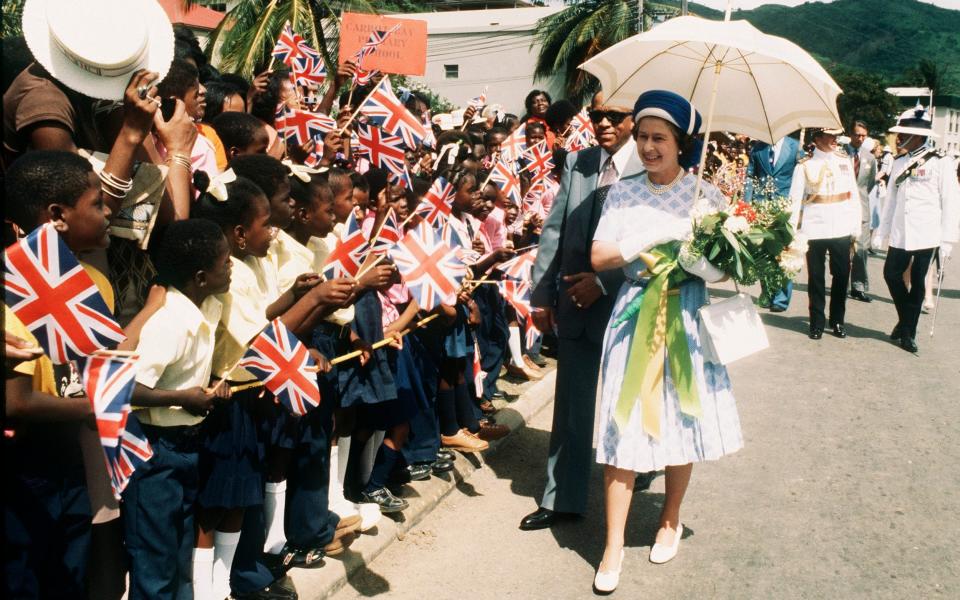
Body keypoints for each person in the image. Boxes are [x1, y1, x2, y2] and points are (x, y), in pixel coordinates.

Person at [588, 90, 743, 592]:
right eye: (643, 136)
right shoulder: (623, 192)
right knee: (621, 427)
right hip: (633, 319)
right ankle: (612, 544)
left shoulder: (708, 197)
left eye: (660, 138)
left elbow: (722, 272)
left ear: (681, 144)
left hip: (686, 317)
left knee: (681, 421)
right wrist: (653, 238)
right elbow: (600, 257)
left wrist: (696, 251)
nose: (649, 146)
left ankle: (669, 518)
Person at [521, 91, 644, 532]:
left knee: (627, 404)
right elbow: (555, 230)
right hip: (574, 302)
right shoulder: (579, 163)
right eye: (597, 115)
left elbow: (657, 243)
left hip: (629, 305)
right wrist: (540, 295)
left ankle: (636, 470)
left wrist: (606, 281)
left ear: (635, 119)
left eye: (615, 115)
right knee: (572, 405)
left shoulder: (652, 165)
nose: (604, 123)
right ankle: (562, 497)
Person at [872, 105, 960, 353]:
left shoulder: (940, 163)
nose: (898, 138)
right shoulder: (899, 162)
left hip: (927, 232)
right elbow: (890, 200)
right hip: (901, 231)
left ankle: (907, 332)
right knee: (891, 274)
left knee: (919, 281)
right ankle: (906, 320)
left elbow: (950, 202)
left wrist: (947, 240)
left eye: (903, 134)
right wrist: (882, 232)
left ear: (918, 136)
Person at [787, 127, 861, 340]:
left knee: (841, 275)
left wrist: (855, 225)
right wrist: (792, 232)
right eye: (829, 136)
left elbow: (853, 195)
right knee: (816, 277)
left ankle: (837, 320)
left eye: (835, 136)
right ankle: (816, 322)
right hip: (815, 227)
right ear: (817, 138)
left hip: (841, 226)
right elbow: (794, 201)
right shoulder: (805, 166)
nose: (834, 140)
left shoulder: (844, 161)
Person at [745, 133, 802, 311]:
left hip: (785, 206)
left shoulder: (795, 146)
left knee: (785, 252)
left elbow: (800, 176)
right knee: (764, 252)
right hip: (761, 206)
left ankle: (781, 298)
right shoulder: (758, 147)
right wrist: (747, 204)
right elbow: (750, 176)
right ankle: (768, 293)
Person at [845, 121, 878, 302]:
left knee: (862, 249)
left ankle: (858, 286)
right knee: (842, 250)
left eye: (863, 135)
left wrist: (861, 199)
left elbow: (869, 184)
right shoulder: (841, 154)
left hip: (862, 209)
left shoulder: (870, 158)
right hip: (842, 208)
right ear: (851, 134)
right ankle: (841, 283)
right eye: (857, 134)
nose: (860, 138)